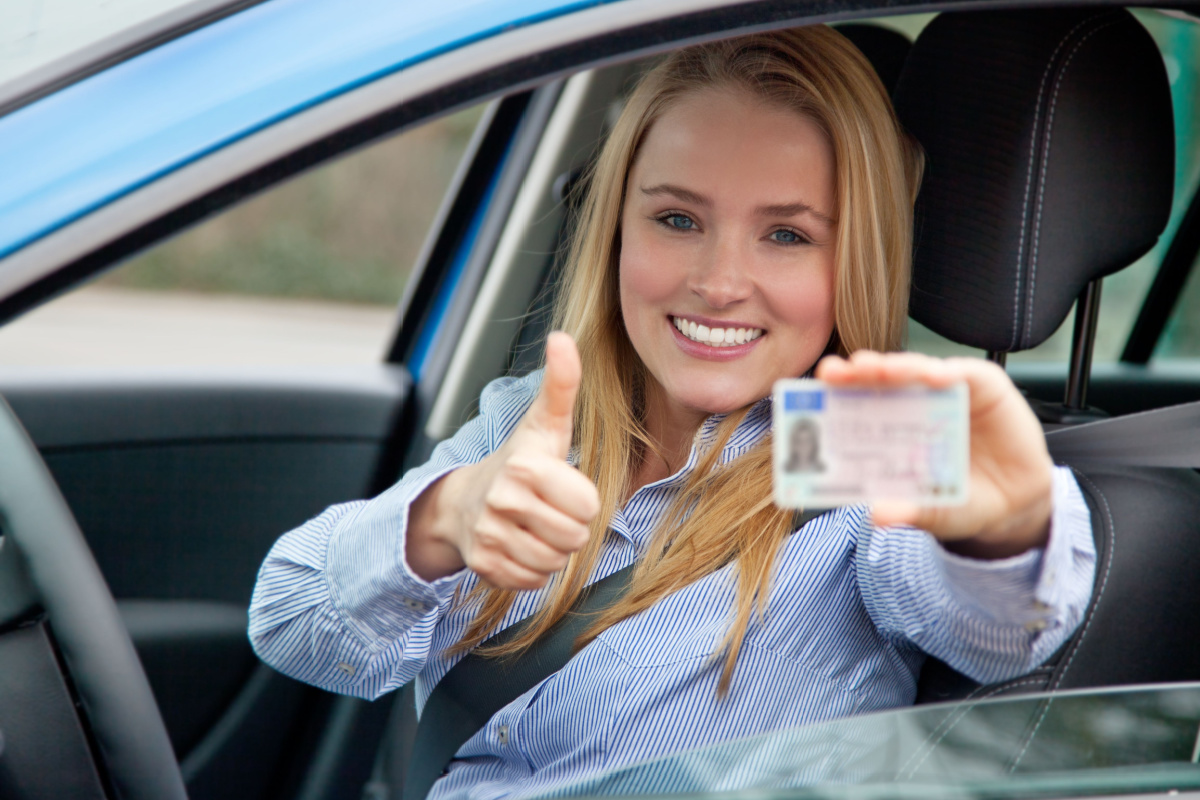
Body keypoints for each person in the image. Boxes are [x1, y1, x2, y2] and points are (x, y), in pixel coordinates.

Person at [249, 26, 1095, 799]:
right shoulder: (535, 425)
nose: (720, 280)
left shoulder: (857, 439)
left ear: (856, 259)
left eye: (788, 235)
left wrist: (1009, 528)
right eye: (677, 218)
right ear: (618, 228)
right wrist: (443, 520)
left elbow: (999, 627)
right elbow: (289, 620)